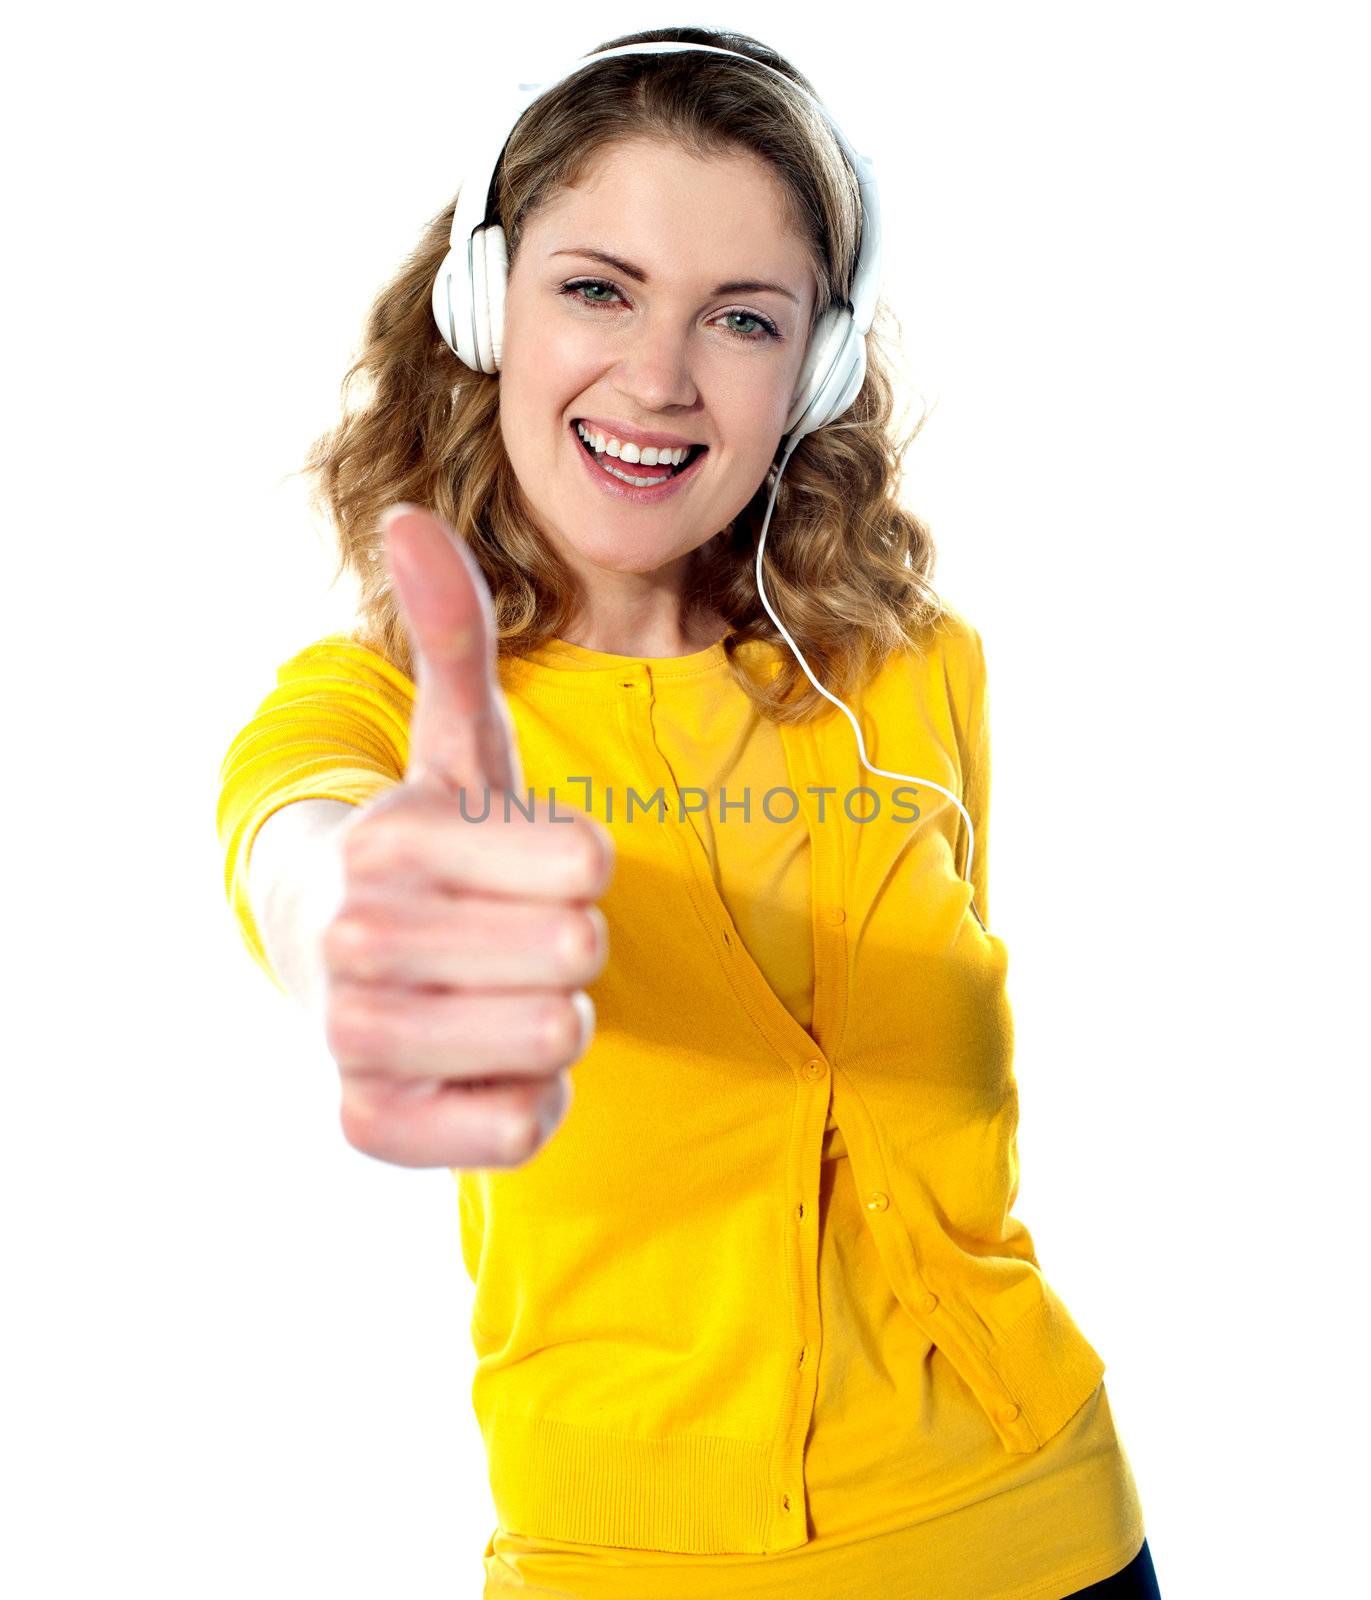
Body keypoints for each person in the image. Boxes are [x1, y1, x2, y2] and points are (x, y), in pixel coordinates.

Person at [216, 25, 1160, 1600]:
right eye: (598, 288)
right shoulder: (390, 705)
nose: (658, 378)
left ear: (821, 365)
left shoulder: (908, 671)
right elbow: (300, 839)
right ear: (483, 305)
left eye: (742, 317)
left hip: (1048, 1531)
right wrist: (358, 924)